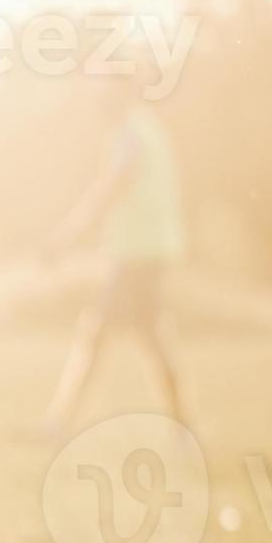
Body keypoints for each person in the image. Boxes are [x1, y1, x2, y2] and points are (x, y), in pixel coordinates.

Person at [38, 65, 191, 437]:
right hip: (152, 248)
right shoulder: (147, 128)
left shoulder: (129, 135)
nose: (100, 99)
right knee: (152, 338)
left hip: (137, 251)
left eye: (105, 91)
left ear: (120, 93)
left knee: (97, 334)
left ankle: (59, 422)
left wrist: (67, 235)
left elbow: (112, 187)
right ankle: (183, 425)